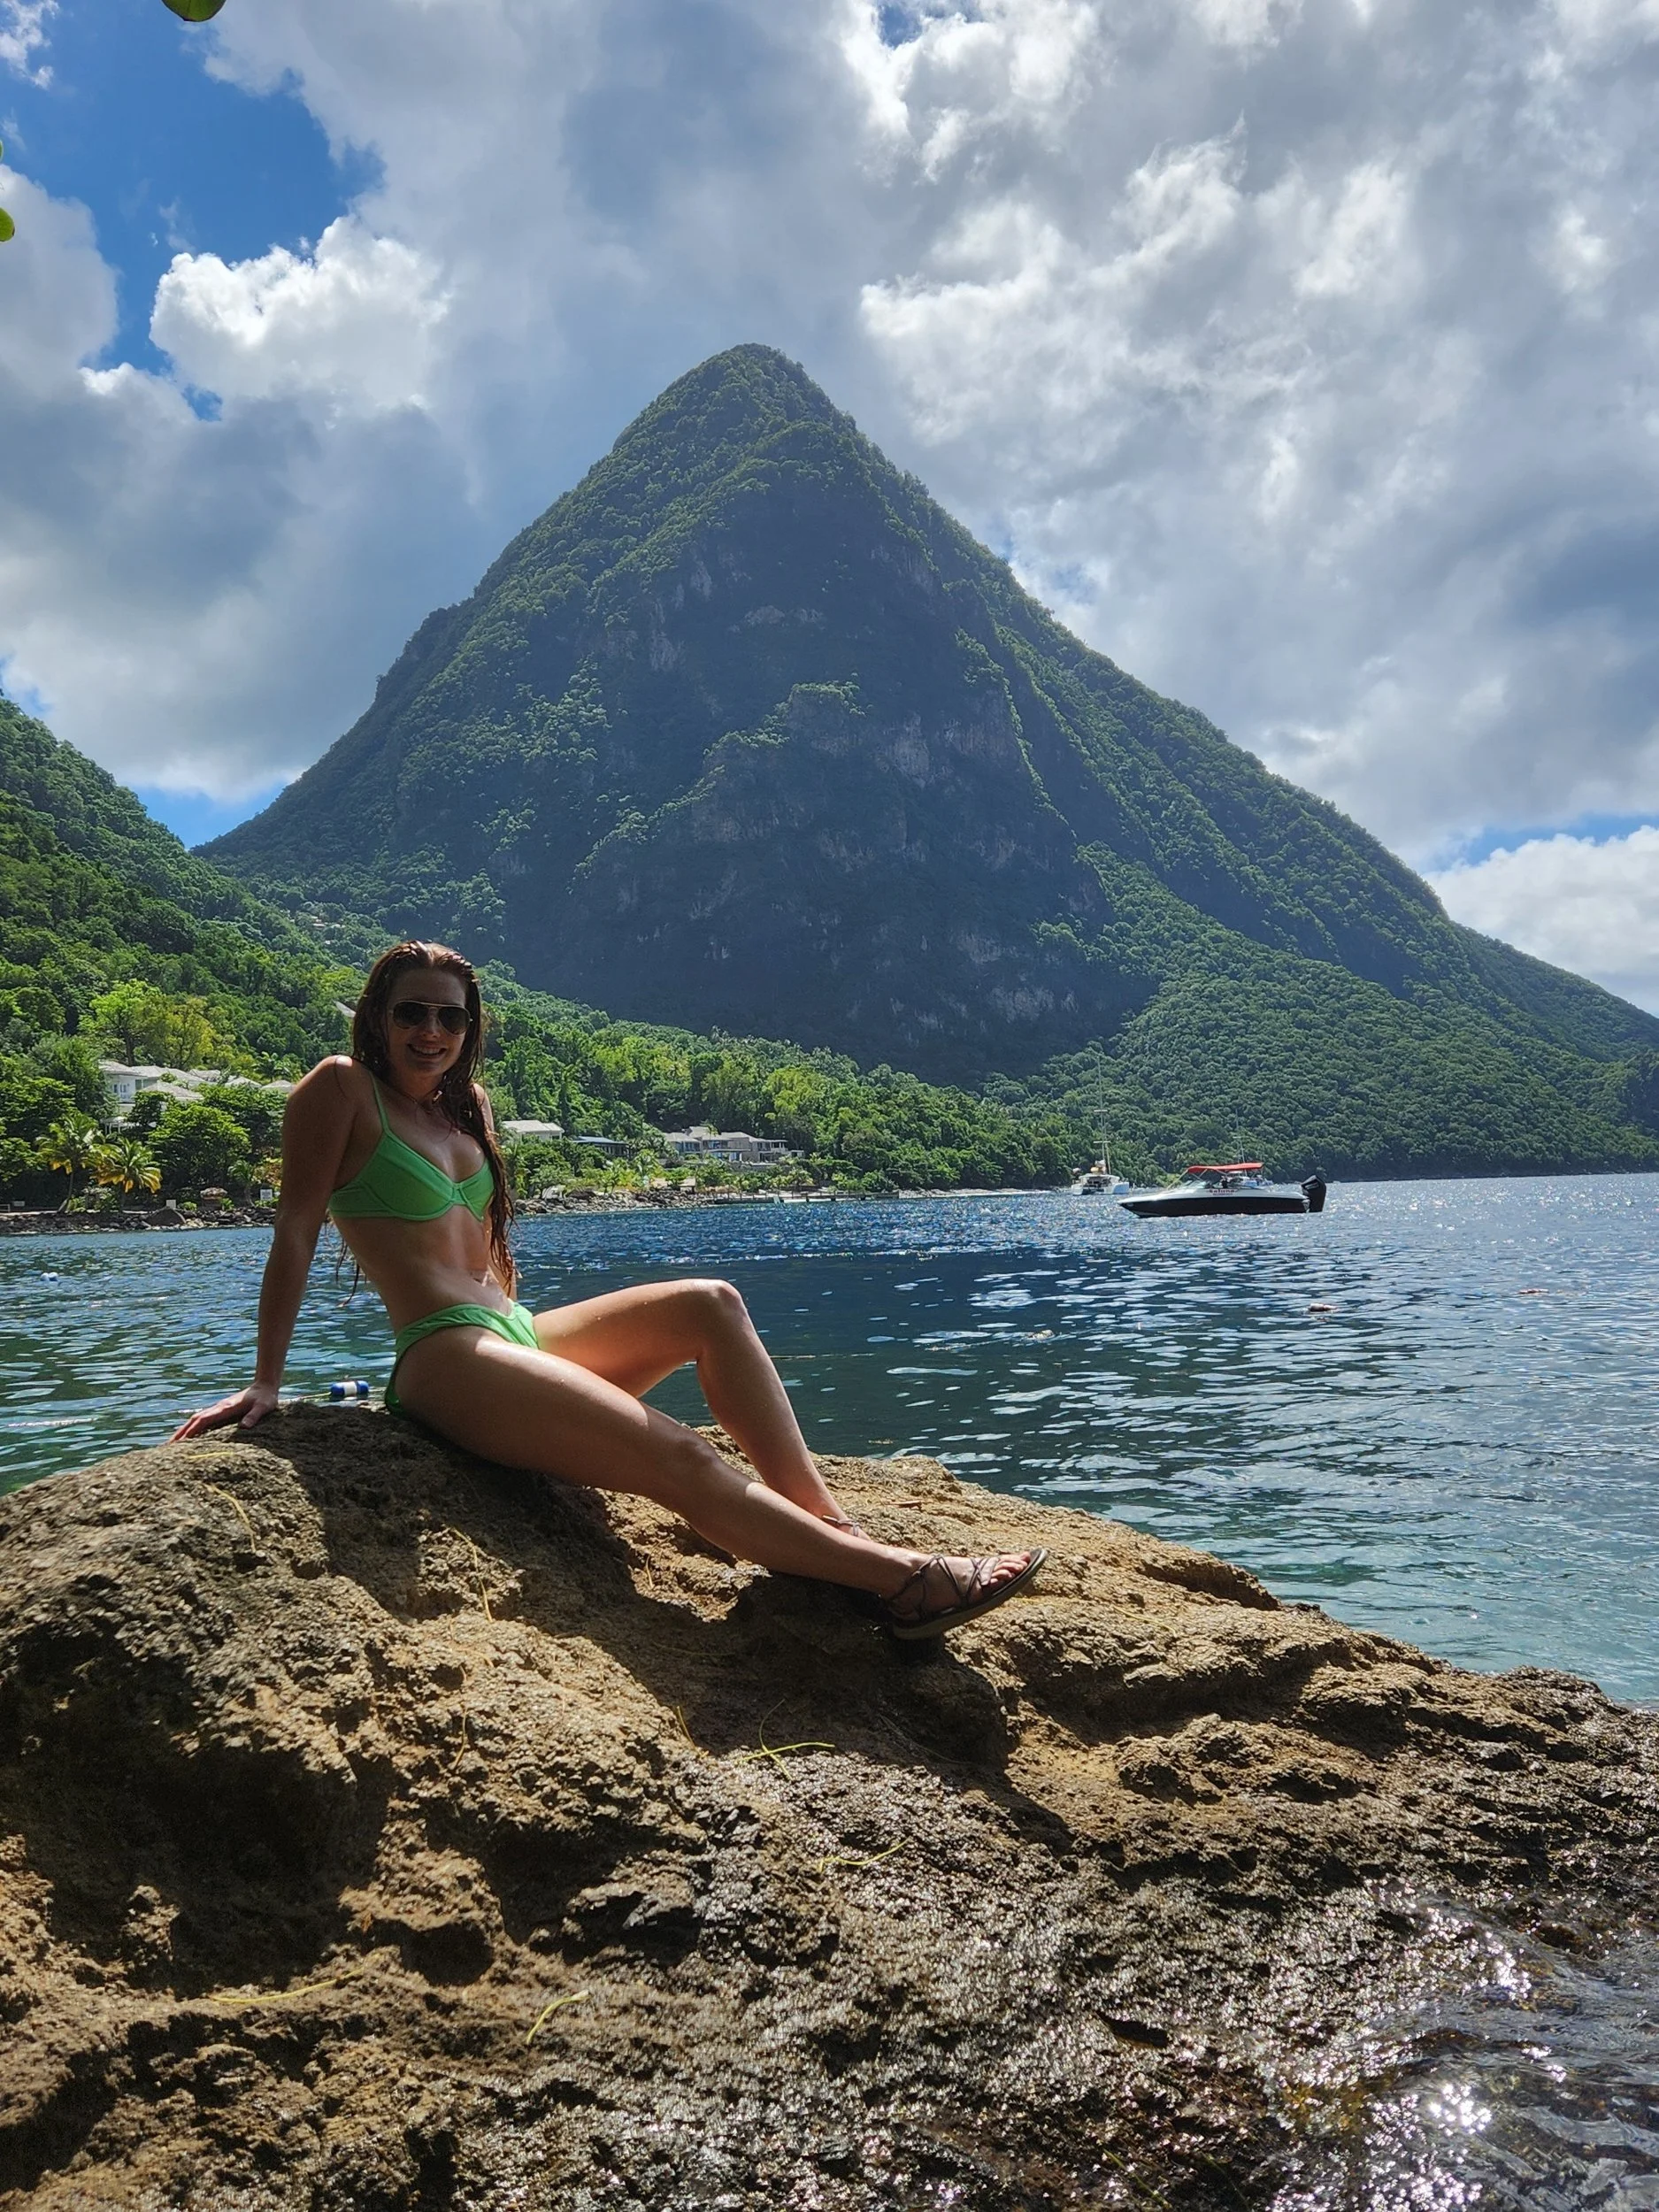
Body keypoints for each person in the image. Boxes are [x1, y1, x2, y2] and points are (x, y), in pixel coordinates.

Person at [173, 941, 1043, 1639]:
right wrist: (266, 1382)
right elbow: (293, 1232)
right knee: (684, 1455)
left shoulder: (462, 1104)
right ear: (378, 1018)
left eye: (450, 1016)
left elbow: (487, 1255)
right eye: (412, 1013)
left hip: (508, 1337)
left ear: (469, 1027)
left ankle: (834, 1533)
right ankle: (904, 1585)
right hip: (443, 1358)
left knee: (713, 1302)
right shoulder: (338, 1089)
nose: (430, 1031)